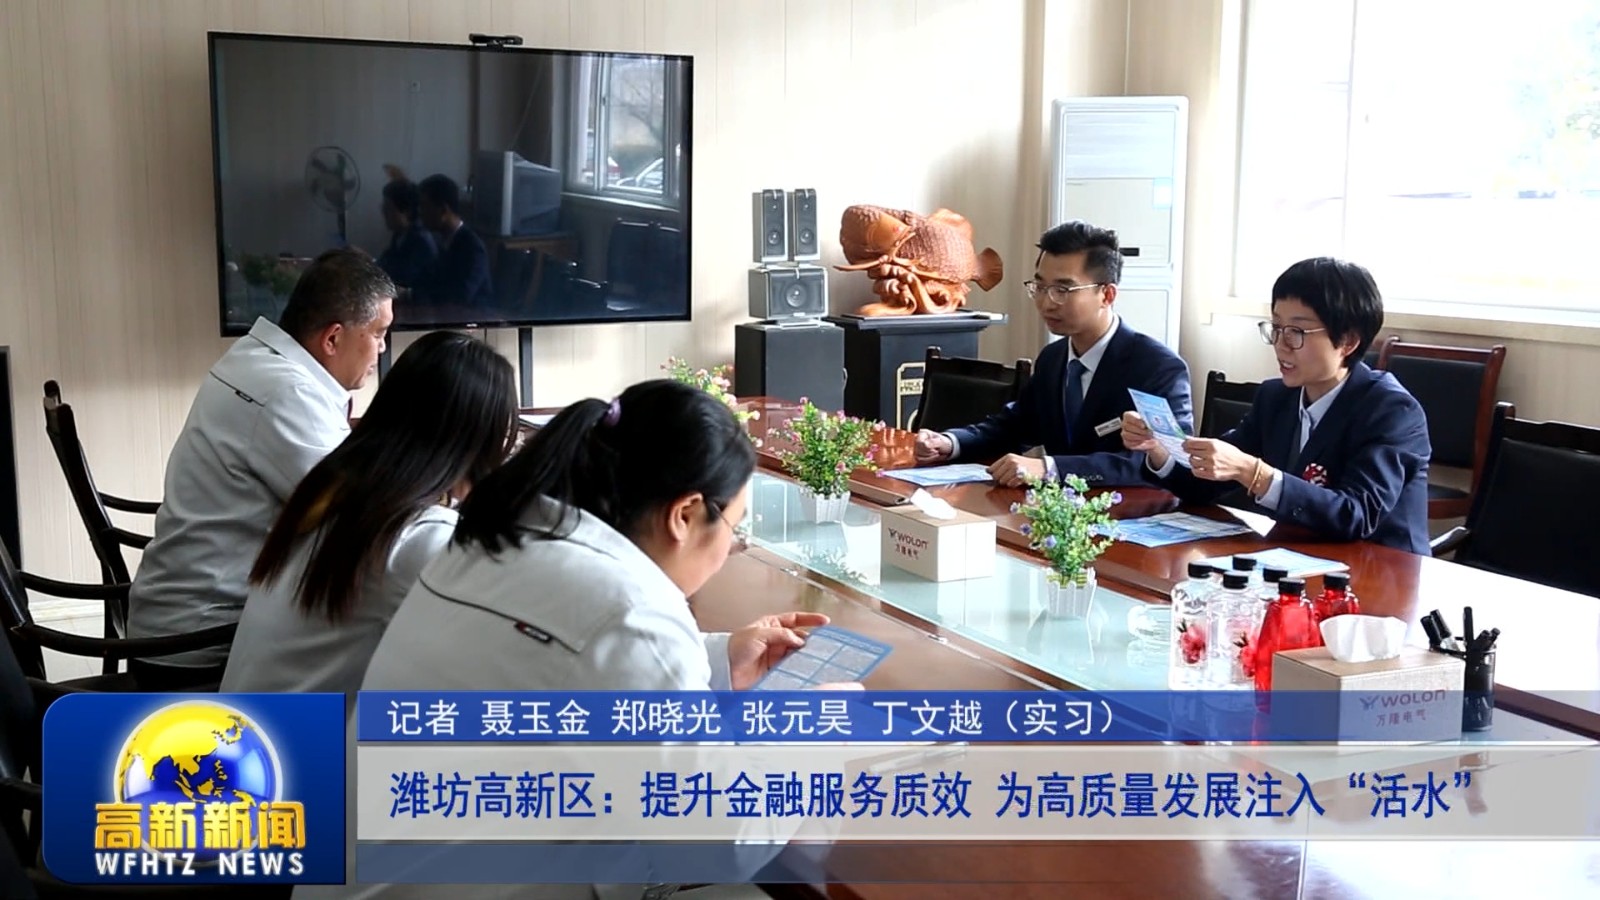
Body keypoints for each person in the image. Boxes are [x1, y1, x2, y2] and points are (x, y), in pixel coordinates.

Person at [363, 378, 829, 695]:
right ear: (684, 515)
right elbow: (711, 810)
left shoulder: (497, 536)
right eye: (733, 528)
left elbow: (588, 665)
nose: (730, 547)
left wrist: (719, 658)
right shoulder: (633, 614)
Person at [128, 248, 395, 688]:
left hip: (174, 617)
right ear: (332, 339)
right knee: (376, 650)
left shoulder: (255, 358)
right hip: (200, 643)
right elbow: (361, 514)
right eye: (379, 333)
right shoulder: (287, 392)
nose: (382, 348)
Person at [219, 331, 516, 702]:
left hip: (248, 725)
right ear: (475, 442)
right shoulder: (419, 536)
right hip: (305, 737)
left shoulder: (337, 491)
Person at [1124, 256, 1431, 554]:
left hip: (1384, 568)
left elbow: (1355, 514)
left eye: (1297, 332)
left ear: (1348, 342)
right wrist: (1160, 450)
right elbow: (1205, 486)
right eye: (1276, 327)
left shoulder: (1392, 411)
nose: (1281, 345)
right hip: (1294, 557)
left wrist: (1254, 473)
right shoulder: (1275, 398)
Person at [913, 220, 1193, 487]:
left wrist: (1050, 468)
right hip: (1058, 511)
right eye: (1040, 287)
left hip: (1135, 510)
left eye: (1063, 289)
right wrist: (951, 442)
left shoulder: (1158, 367)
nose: (1046, 302)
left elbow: (1161, 460)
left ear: (1107, 295)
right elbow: (1016, 426)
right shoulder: (1053, 358)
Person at [415, 173, 493, 308]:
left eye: (424, 206)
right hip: (443, 314)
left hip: (473, 317)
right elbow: (426, 282)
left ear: (443, 210)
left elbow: (461, 295)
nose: (420, 213)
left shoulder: (472, 247)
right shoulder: (441, 241)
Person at [375, 175, 438, 290]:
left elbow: (400, 277)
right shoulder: (400, 234)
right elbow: (385, 261)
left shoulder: (420, 241)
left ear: (407, 211)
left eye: (388, 208)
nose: (383, 212)